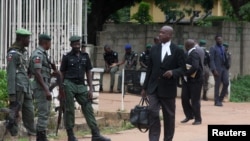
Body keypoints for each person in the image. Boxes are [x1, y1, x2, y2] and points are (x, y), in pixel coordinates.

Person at [60, 35, 111, 141]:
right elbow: (62, 73)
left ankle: (96, 134)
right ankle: (71, 136)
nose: (77, 46)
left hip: (81, 85)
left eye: (78, 44)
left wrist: (90, 88)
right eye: (74, 44)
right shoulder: (67, 57)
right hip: (69, 84)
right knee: (69, 109)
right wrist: (61, 89)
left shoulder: (85, 56)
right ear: (71, 45)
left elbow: (88, 72)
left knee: (88, 106)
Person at [141, 26, 185, 141]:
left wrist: (173, 72)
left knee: (169, 117)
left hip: (168, 89)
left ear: (170, 35)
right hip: (153, 88)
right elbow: (149, 69)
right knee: (153, 112)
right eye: (159, 32)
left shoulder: (177, 50)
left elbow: (184, 69)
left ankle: (168, 139)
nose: (160, 34)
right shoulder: (154, 49)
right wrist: (144, 88)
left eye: (163, 33)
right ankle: (154, 138)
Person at [6, 28, 36, 141]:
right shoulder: (13, 54)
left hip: (26, 89)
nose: (29, 40)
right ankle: (14, 138)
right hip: (18, 89)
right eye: (27, 38)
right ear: (20, 39)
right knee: (14, 116)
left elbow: (26, 73)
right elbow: (11, 75)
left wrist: (31, 89)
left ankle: (32, 137)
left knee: (30, 114)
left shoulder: (23, 53)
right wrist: (12, 96)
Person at [29, 34, 53, 141]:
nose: (50, 44)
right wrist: (46, 90)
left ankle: (41, 136)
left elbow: (44, 73)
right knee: (43, 112)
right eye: (50, 42)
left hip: (43, 87)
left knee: (46, 111)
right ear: (45, 42)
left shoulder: (43, 55)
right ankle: (41, 138)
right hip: (40, 88)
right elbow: (37, 74)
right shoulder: (38, 54)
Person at [181, 39, 203, 125]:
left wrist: (186, 73)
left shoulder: (195, 54)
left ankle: (198, 119)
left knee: (195, 100)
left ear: (187, 46)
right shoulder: (186, 53)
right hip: (187, 80)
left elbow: (195, 67)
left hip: (196, 80)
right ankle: (189, 115)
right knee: (184, 98)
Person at [209, 35, 229, 106]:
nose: (220, 41)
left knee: (226, 83)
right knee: (217, 85)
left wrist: (227, 65)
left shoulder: (223, 48)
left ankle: (220, 99)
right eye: (218, 39)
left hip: (224, 68)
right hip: (217, 68)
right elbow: (211, 60)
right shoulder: (213, 48)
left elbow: (225, 57)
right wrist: (214, 69)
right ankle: (216, 101)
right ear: (216, 40)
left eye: (221, 39)